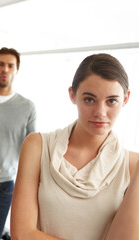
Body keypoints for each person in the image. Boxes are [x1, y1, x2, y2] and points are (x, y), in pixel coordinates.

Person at [10, 53, 139, 240]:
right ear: (72, 95)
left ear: (125, 99)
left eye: (111, 101)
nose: (100, 112)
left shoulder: (133, 164)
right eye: (89, 99)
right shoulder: (37, 146)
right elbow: (22, 235)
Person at [0, 47, 36, 240]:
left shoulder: (27, 107)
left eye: (10, 65)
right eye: (1, 64)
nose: (5, 69)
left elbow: (33, 146)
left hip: (4, 184)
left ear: (16, 70)